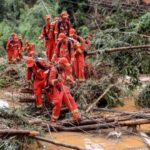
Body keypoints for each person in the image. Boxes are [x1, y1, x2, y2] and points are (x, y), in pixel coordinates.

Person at [46, 57, 80, 122]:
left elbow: (65, 76)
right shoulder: (54, 70)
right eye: (64, 65)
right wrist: (57, 80)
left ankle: (76, 117)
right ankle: (53, 121)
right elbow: (50, 82)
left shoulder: (63, 69)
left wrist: (71, 80)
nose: (65, 66)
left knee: (70, 99)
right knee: (58, 103)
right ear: (60, 64)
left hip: (62, 86)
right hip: (55, 88)